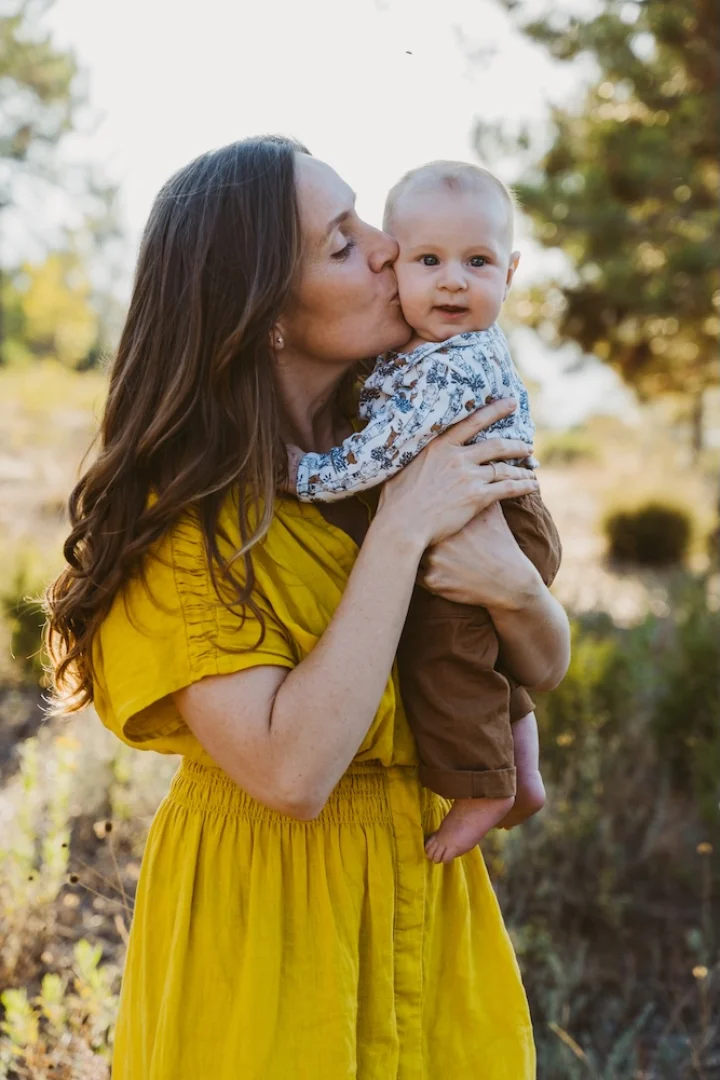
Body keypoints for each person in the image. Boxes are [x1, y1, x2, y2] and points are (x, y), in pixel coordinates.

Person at [45, 136, 570, 1080]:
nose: (386, 248)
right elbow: (292, 773)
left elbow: (540, 663)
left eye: (366, 220)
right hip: (270, 928)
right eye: (341, 242)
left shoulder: (396, 443)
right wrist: (403, 531)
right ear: (267, 319)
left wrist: (516, 589)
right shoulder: (189, 528)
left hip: (426, 897)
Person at [289, 160, 562, 863]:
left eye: (478, 262)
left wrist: (307, 474)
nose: (452, 282)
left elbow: (383, 450)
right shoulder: (420, 351)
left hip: (493, 517)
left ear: (510, 273)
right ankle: (522, 765)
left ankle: (483, 784)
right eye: (429, 260)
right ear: (399, 264)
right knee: (477, 650)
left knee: (444, 648)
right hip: (488, 507)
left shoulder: (449, 363)